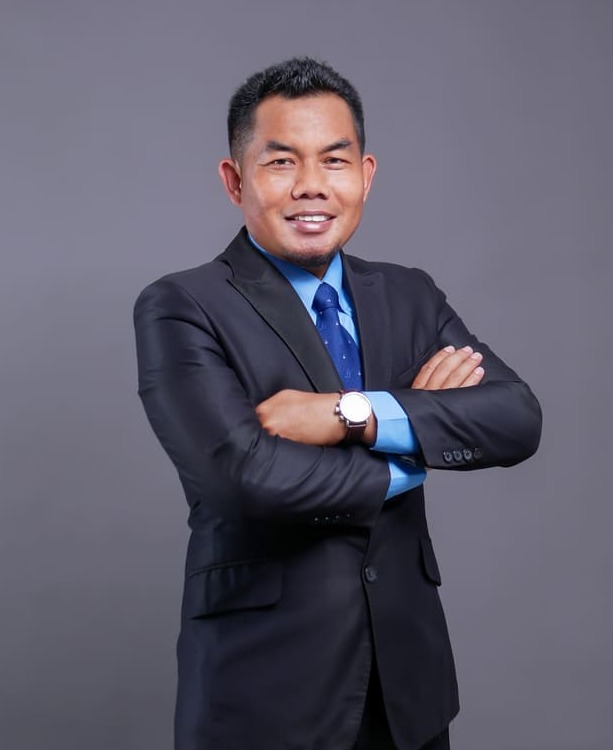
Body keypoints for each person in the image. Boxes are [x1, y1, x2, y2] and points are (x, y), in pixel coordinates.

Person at [134, 57, 541, 750]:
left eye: (334, 160)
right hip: (262, 692)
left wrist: (350, 414)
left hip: (410, 690)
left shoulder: (409, 295)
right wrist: (414, 445)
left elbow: (515, 418)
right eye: (281, 162)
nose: (311, 186)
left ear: (366, 175)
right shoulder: (183, 305)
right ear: (235, 180)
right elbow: (244, 477)